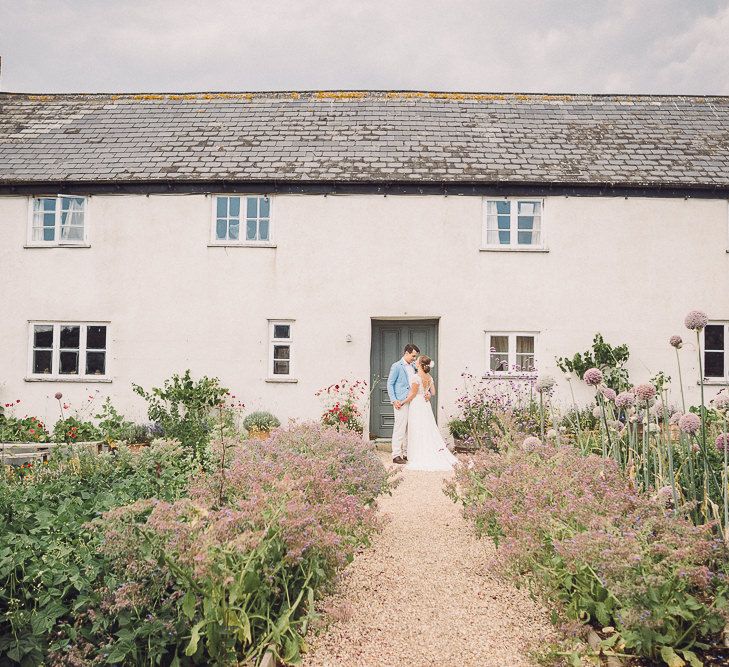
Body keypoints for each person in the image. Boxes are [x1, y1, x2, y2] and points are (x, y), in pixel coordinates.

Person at [401, 354, 458, 471]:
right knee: (427, 427)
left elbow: (412, 394)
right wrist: (427, 395)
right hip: (425, 405)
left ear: (421, 364)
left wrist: (402, 402)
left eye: (417, 360)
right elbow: (433, 392)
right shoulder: (429, 377)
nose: (415, 362)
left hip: (416, 404)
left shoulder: (416, 377)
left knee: (416, 428)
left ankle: (417, 454)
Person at [386, 343, 419, 464]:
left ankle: (406, 453)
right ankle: (396, 455)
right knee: (400, 428)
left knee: (410, 428)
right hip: (401, 401)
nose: (414, 359)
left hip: (413, 401)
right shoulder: (396, 366)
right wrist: (394, 400)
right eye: (413, 356)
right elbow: (390, 384)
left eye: (415, 357)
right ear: (406, 353)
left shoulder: (414, 366)